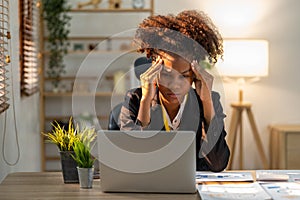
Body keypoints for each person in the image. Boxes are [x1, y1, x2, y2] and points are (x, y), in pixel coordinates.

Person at [119, 10, 230, 172]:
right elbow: (132, 161)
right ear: (154, 70)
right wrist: (145, 104)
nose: (175, 85)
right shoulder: (135, 99)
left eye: (184, 76)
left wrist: (206, 104)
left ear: (195, 75)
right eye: (166, 75)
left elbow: (218, 164)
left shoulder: (209, 101)